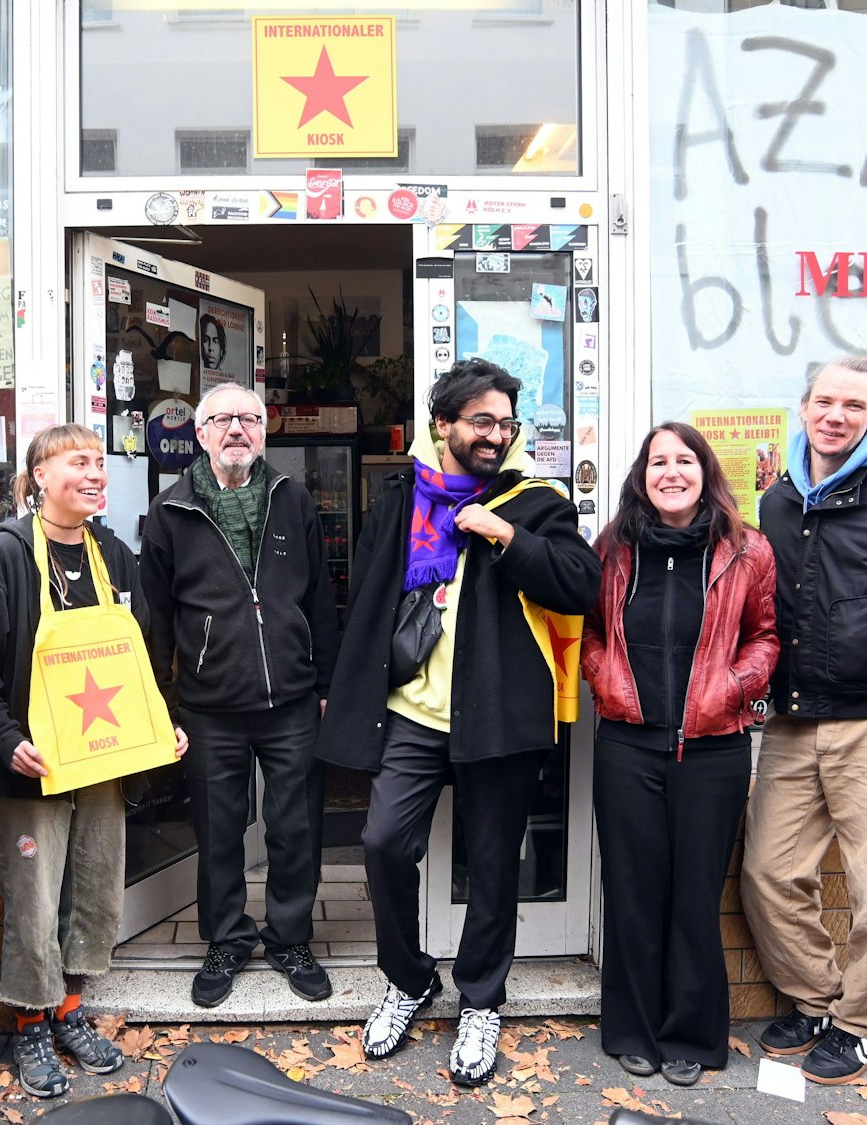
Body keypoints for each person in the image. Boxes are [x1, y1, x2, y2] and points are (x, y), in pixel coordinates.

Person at [319, 359, 600, 1087]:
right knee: (382, 842)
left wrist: (506, 536)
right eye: (481, 421)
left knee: (491, 862)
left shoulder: (535, 499)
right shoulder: (403, 495)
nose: (496, 435)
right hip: (414, 711)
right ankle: (409, 978)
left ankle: (481, 999)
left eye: (505, 423)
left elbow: (580, 584)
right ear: (442, 424)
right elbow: (372, 597)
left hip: (499, 714)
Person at [0, 424, 188, 1099]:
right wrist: (4, 737)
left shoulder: (111, 551)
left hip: (102, 759)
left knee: (93, 881)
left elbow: (140, 651)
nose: (94, 474)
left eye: (99, 463)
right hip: (35, 763)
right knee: (33, 894)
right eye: (77, 462)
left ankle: (69, 1006)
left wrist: (160, 722)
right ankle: (30, 1019)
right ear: (37, 473)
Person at [740, 355, 867, 1085]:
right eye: (825, 400)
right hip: (792, 719)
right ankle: (817, 998)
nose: (836, 415)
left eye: (854, 405)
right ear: (803, 408)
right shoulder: (776, 501)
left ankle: (862, 1024)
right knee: (768, 870)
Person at [579, 423, 779, 1088]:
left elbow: (766, 636)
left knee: (695, 894)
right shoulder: (613, 547)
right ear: (642, 474)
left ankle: (692, 1033)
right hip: (628, 743)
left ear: (704, 471)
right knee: (632, 891)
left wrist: (734, 687)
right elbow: (590, 633)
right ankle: (632, 1028)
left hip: (714, 747)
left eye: (684, 460)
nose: (671, 471)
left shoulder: (746, 550)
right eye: (658, 461)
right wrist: (606, 679)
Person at [141, 382, 341, 1008]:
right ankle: (227, 939)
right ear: (199, 434)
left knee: (294, 828)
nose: (237, 429)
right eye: (222, 419)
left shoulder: (294, 499)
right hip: (209, 706)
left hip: (292, 702)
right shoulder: (171, 509)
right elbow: (155, 616)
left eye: (250, 419)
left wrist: (328, 683)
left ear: (264, 432)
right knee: (219, 831)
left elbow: (319, 600)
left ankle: (289, 938)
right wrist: (162, 705)